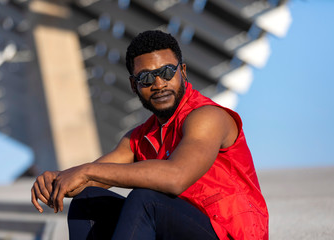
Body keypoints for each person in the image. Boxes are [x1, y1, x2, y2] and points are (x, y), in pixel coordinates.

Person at [31, 30, 269, 240]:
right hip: (178, 229)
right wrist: (55, 180)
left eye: (167, 72)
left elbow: (176, 177)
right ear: (134, 85)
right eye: (145, 77)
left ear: (182, 72)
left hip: (230, 234)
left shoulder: (207, 117)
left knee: (146, 200)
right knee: (89, 199)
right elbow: (84, 182)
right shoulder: (139, 138)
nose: (158, 83)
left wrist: (85, 171)